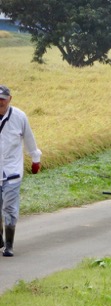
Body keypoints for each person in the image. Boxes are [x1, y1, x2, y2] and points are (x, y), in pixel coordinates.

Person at [0, 85, 42, 257]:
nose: (0, 101)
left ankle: (9, 245)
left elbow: (29, 139)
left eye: (3, 98)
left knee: (9, 207)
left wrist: (35, 160)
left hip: (12, 172)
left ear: (10, 99)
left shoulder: (19, 117)